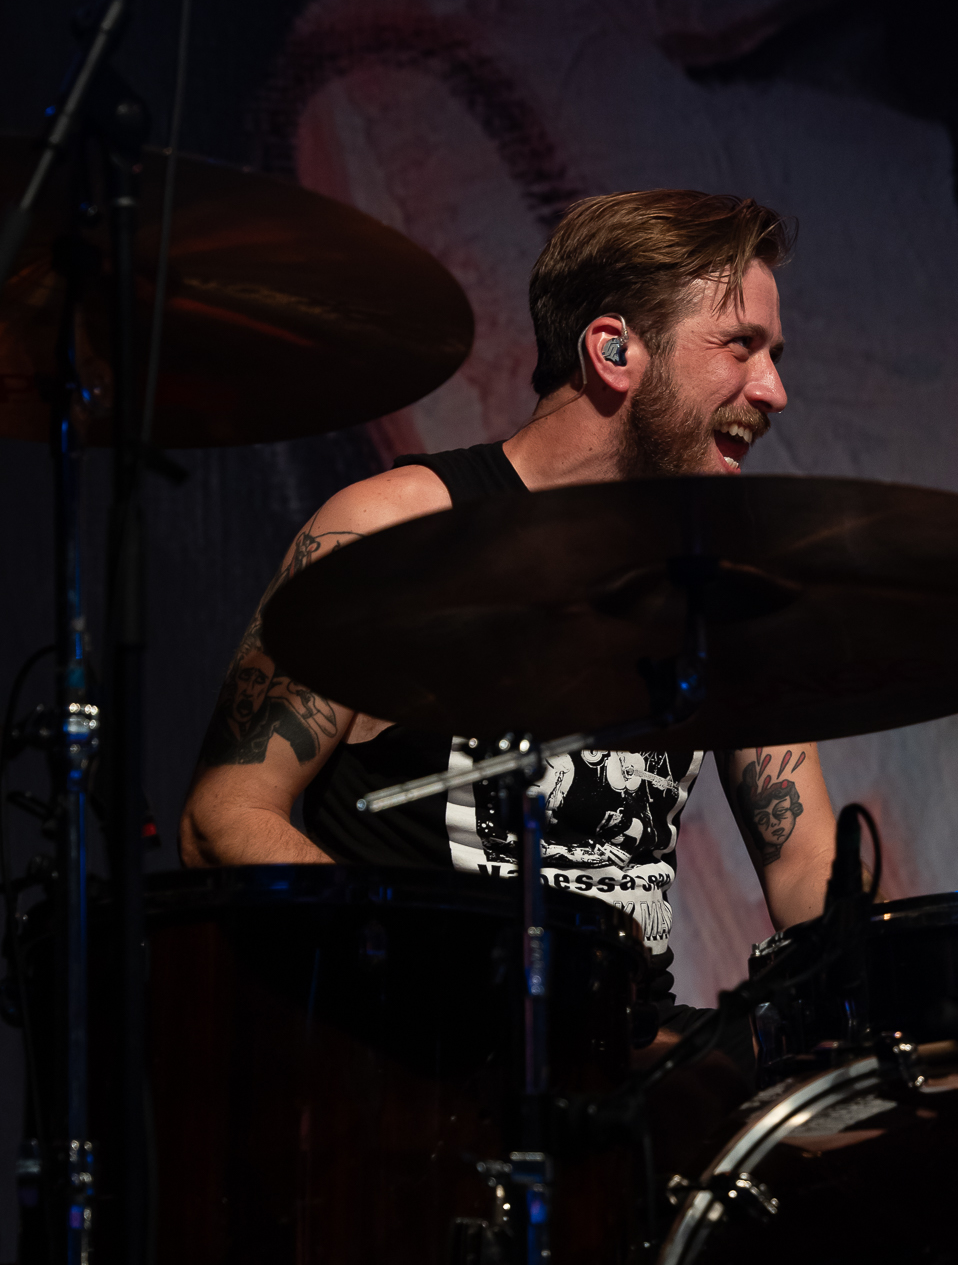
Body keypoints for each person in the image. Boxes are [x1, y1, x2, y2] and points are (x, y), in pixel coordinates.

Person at [178, 189, 840, 1029]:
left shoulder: (726, 583)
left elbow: (805, 863)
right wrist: (409, 969)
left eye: (774, 354)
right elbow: (225, 815)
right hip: (421, 1073)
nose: (774, 390)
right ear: (613, 350)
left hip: (631, 1082)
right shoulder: (393, 532)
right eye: (741, 347)